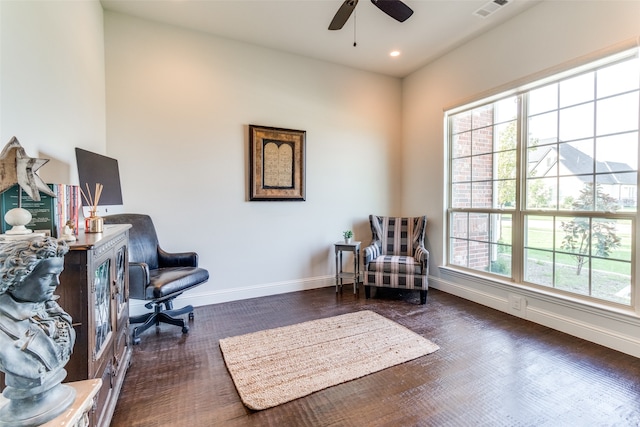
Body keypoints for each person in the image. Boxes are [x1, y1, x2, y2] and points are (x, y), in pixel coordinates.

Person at [0, 236, 74, 385]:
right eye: (47, 276)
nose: (57, 282)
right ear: (19, 277)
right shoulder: (4, 331)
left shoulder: (51, 309)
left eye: (58, 274)